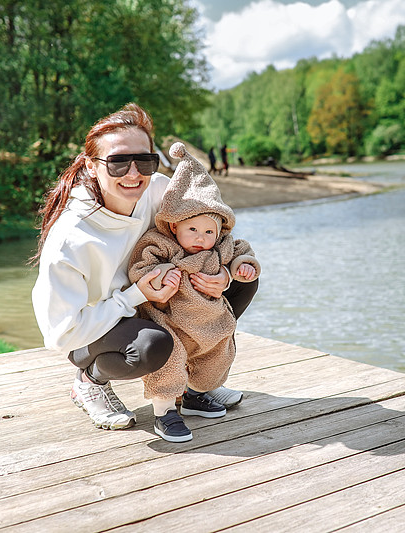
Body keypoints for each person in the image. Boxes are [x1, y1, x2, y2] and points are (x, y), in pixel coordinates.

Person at [31, 103, 256, 432]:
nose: (134, 173)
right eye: (118, 162)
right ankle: (89, 380)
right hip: (95, 329)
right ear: (92, 166)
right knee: (152, 347)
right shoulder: (70, 239)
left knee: (243, 280)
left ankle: (193, 387)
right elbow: (60, 334)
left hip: (155, 302)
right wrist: (134, 295)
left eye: (144, 161)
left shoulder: (159, 190)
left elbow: (212, 230)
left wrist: (223, 274)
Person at [128, 142, 260, 442]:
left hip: (208, 319)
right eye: (193, 230)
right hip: (170, 318)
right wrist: (158, 274)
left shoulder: (221, 245)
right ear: (174, 227)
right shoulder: (160, 243)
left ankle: (195, 394)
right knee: (169, 357)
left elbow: (241, 251)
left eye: (209, 232)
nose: (202, 239)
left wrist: (241, 267)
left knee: (218, 352)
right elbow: (140, 267)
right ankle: (164, 412)